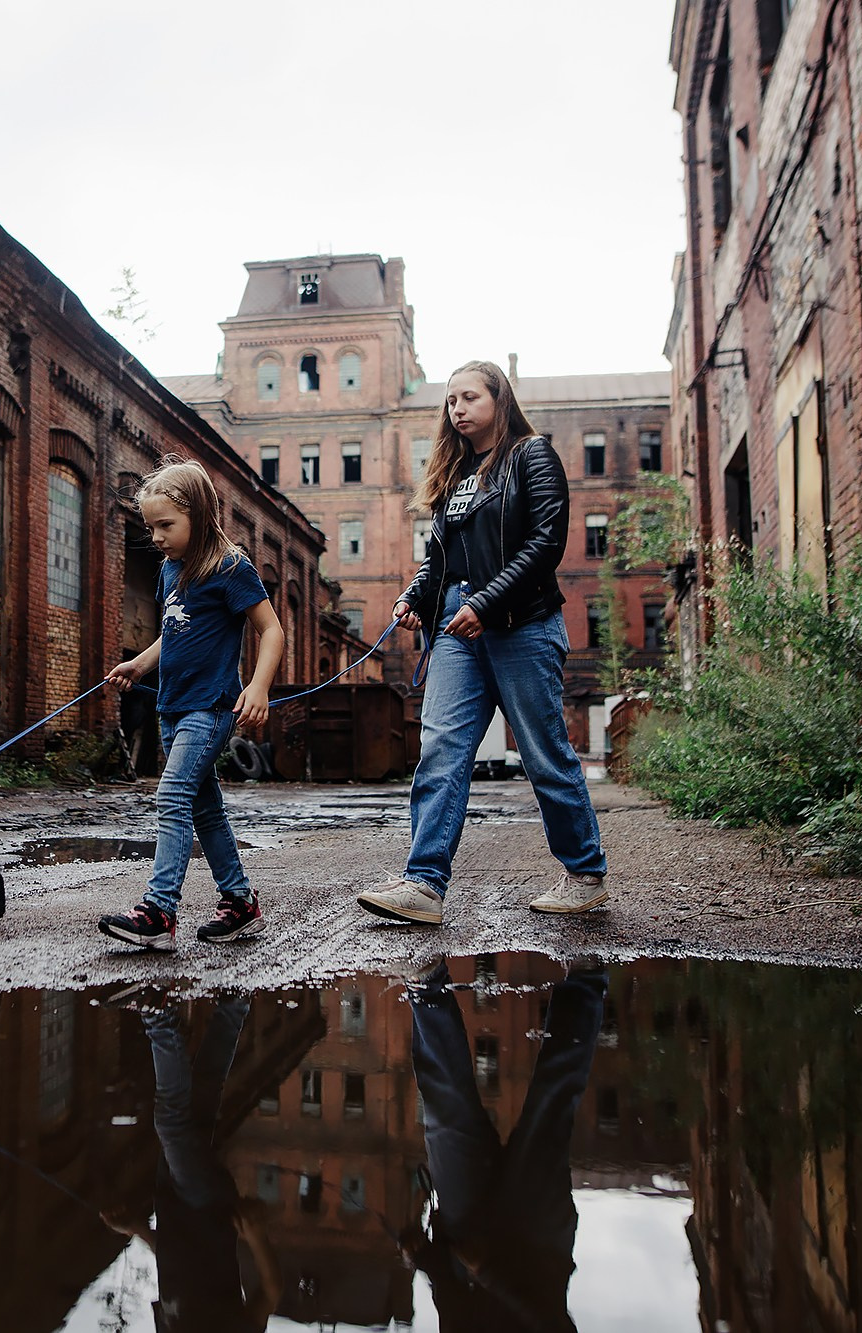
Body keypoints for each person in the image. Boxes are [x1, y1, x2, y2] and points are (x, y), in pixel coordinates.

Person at [357, 360, 609, 925]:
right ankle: (424, 884)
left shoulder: (531, 455)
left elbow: (545, 543)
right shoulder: (453, 476)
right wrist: (415, 596)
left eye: (469, 397)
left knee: (543, 754)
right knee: (440, 751)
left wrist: (486, 603)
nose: (458, 409)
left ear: (500, 399)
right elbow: (440, 558)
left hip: (521, 624)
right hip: (456, 628)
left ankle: (585, 873)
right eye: (451, 401)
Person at [100, 457, 285, 950]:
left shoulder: (230, 567)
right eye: (150, 527)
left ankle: (159, 911)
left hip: (211, 707)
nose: (156, 537)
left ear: (199, 515)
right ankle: (240, 902)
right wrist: (140, 664)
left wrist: (259, 687)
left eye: (166, 525)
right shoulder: (169, 570)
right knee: (205, 809)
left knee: (173, 795)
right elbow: (174, 630)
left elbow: (271, 630)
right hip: (172, 705)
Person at [403, 960, 608, 1331]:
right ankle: (586, 978)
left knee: (446, 1116)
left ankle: (426, 988)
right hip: (535, 1240)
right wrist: (489, 1272)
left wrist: (424, 1259)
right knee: (551, 1104)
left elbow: (451, 1306)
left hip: (466, 1238)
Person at [100, 991, 283, 1332]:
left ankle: (234, 1006)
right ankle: (159, 1017)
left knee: (201, 1098)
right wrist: (257, 1237)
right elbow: (272, 1293)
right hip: (206, 1205)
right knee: (171, 1122)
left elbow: (175, 1265)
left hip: (171, 1201)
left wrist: (136, 1228)